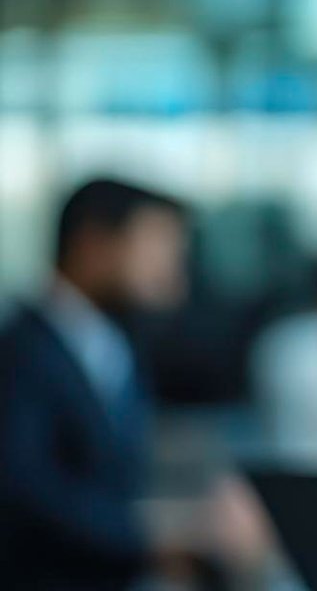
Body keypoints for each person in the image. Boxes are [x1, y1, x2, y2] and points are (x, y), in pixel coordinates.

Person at [0, 178, 190, 590]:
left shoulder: (119, 344)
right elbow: (24, 489)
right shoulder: (19, 352)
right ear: (93, 245)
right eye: (156, 247)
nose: (170, 269)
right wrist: (149, 539)